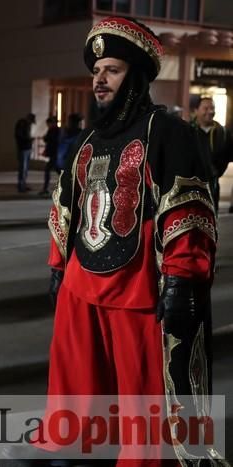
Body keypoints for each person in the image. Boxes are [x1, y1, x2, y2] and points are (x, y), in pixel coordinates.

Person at [44, 17, 223, 463]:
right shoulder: (87, 139)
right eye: (96, 70)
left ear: (137, 77)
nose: (99, 80)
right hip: (81, 283)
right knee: (77, 381)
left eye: (112, 70)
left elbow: (189, 209)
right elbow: (65, 203)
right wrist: (56, 265)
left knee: (145, 397)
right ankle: (70, 444)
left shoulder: (170, 133)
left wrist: (182, 278)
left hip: (138, 287)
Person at [192, 96, 232, 214]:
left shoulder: (223, 132)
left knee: (211, 219)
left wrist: (216, 172)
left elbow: (227, 156)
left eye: (212, 108)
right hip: (190, 186)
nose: (210, 111)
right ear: (196, 110)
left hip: (213, 185)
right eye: (206, 108)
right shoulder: (188, 130)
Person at [14, 112, 35, 192]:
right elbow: (20, 136)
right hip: (23, 149)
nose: (31, 123)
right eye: (31, 121)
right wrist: (29, 140)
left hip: (26, 148)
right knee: (23, 168)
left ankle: (23, 185)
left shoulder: (25, 124)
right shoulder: (22, 124)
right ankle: (21, 186)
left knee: (25, 168)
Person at [39, 116, 60, 196]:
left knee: (48, 170)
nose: (48, 125)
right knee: (57, 170)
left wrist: (46, 138)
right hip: (54, 153)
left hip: (54, 153)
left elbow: (49, 140)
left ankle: (45, 188)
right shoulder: (57, 130)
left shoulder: (53, 130)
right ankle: (46, 188)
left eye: (48, 124)